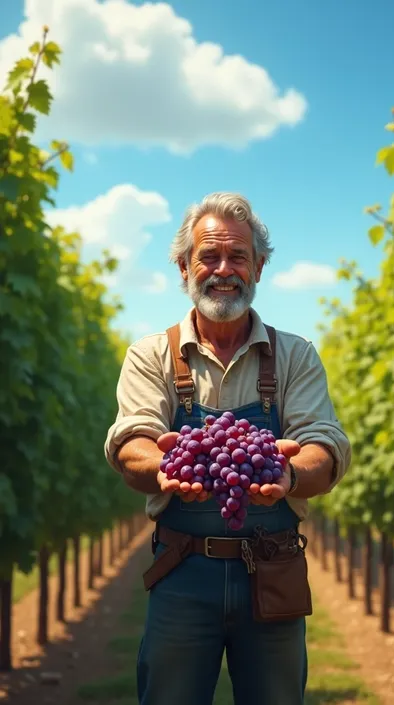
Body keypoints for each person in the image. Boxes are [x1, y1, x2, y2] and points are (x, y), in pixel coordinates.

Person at [104, 192, 352, 705]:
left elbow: (322, 450)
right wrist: (164, 468)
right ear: (183, 267)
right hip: (181, 572)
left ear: (259, 267)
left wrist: (289, 475)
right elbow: (132, 441)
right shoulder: (152, 354)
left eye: (238, 256)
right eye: (208, 257)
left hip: (272, 570)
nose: (223, 270)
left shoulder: (295, 355)